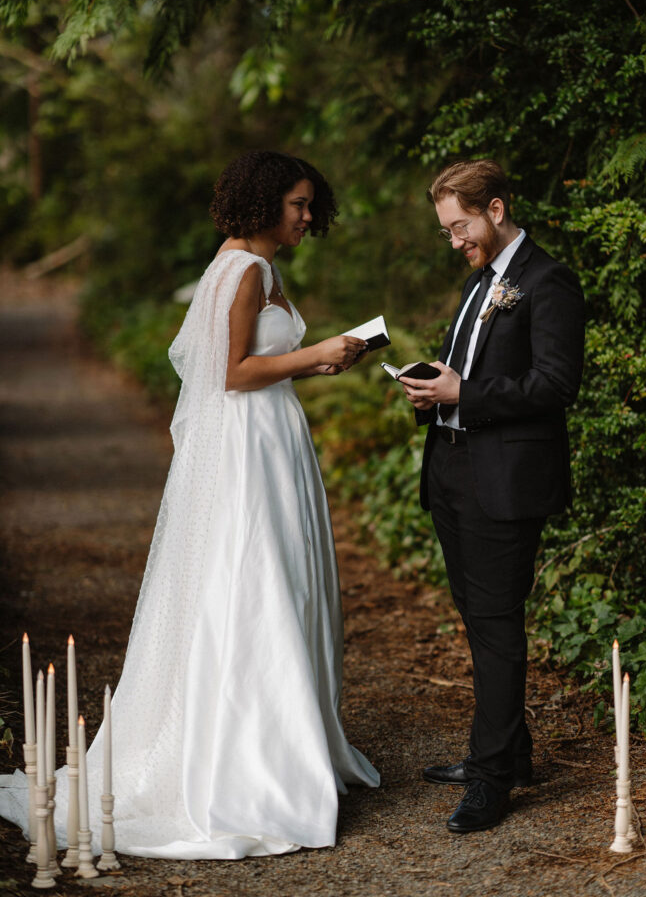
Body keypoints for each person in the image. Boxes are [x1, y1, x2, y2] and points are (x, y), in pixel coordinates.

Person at [0, 150, 379, 859]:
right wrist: (319, 352)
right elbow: (230, 374)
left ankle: (281, 733)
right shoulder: (244, 270)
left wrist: (320, 359)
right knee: (258, 578)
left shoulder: (232, 263)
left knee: (268, 576)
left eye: (307, 205)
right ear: (264, 202)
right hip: (250, 440)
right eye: (296, 204)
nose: (305, 216)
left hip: (264, 438)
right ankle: (254, 758)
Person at [400, 158, 584, 834]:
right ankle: (508, 751)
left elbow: (555, 386)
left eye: (459, 227)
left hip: (503, 482)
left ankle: (489, 779)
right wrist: (433, 387)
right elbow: (469, 370)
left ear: (495, 210)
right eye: (447, 231)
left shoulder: (546, 281)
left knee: (497, 626)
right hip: (451, 471)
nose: (454, 242)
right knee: (477, 619)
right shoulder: (483, 284)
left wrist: (463, 395)